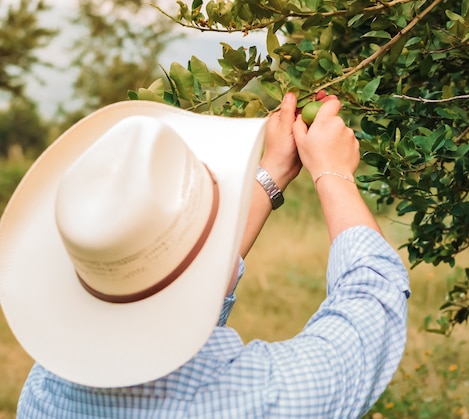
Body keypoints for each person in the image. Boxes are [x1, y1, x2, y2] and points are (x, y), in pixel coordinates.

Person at [0, 92, 410, 418]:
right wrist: (333, 171)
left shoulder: (45, 391)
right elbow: (372, 297)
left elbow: (168, 299)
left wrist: (272, 173)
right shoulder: (255, 398)